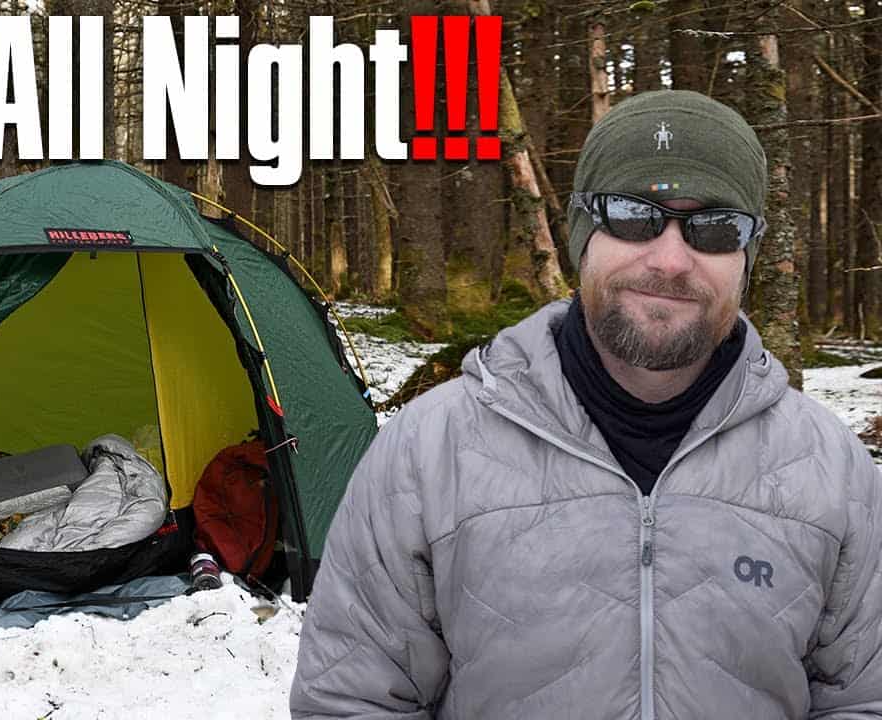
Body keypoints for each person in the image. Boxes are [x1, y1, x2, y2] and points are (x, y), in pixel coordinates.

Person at [290, 90, 882, 719]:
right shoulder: (427, 453)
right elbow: (350, 703)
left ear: (746, 256)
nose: (670, 259)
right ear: (580, 235)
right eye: (633, 215)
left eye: (714, 227)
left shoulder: (830, 469)